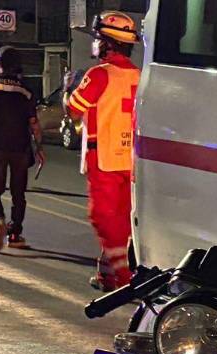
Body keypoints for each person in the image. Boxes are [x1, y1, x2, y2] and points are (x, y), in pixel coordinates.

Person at [66, 12, 141, 291]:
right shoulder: (139, 75)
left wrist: (67, 91)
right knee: (123, 218)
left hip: (105, 158)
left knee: (105, 219)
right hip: (131, 160)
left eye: (98, 38)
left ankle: (122, 279)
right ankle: (108, 274)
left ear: (108, 44)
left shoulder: (98, 74)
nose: (95, 44)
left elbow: (73, 108)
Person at [0, 46, 45, 252]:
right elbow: (34, 124)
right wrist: (38, 148)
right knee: (18, 193)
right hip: (20, 148)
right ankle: (15, 234)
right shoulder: (26, 90)